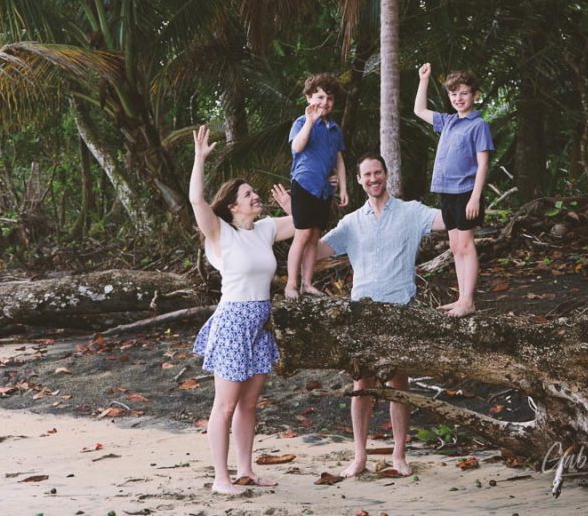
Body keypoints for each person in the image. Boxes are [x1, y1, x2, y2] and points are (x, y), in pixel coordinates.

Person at [302, 153, 446, 478]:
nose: (373, 179)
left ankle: (399, 454)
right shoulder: (352, 222)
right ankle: (359, 456)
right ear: (358, 180)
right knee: (361, 384)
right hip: (362, 314)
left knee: (399, 383)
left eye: (377, 172)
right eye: (366, 174)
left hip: (399, 311)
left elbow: (447, 219)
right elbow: (317, 249)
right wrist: (302, 212)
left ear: (386, 174)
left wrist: (468, 193)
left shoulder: (411, 212)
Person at [189, 125, 294, 495]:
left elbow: (304, 225)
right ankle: (221, 477)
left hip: (262, 322)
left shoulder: (263, 230)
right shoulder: (221, 234)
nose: (255, 197)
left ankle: (246, 470)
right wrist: (200, 160)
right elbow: (197, 203)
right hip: (233, 321)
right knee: (226, 405)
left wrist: (293, 208)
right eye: (248, 194)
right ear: (233, 205)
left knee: (249, 403)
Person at [414, 63, 494, 317]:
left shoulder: (478, 125)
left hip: (466, 192)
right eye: (453, 94)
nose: (458, 98)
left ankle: (468, 301)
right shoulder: (448, 122)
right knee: (455, 246)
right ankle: (461, 298)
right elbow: (419, 110)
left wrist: (475, 198)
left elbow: (483, 164)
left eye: (463, 93)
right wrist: (424, 79)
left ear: (474, 95)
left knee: (466, 245)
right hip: (445, 192)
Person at [285, 73, 349, 300]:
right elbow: (298, 147)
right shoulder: (301, 123)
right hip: (304, 184)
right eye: (319, 97)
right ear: (309, 98)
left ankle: (307, 284)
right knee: (302, 236)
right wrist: (310, 122)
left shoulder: (334, 128)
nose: (324, 103)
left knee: (314, 237)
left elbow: (338, 158)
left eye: (329, 99)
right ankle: (291, 284)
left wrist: (342, 187)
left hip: (324, 188)